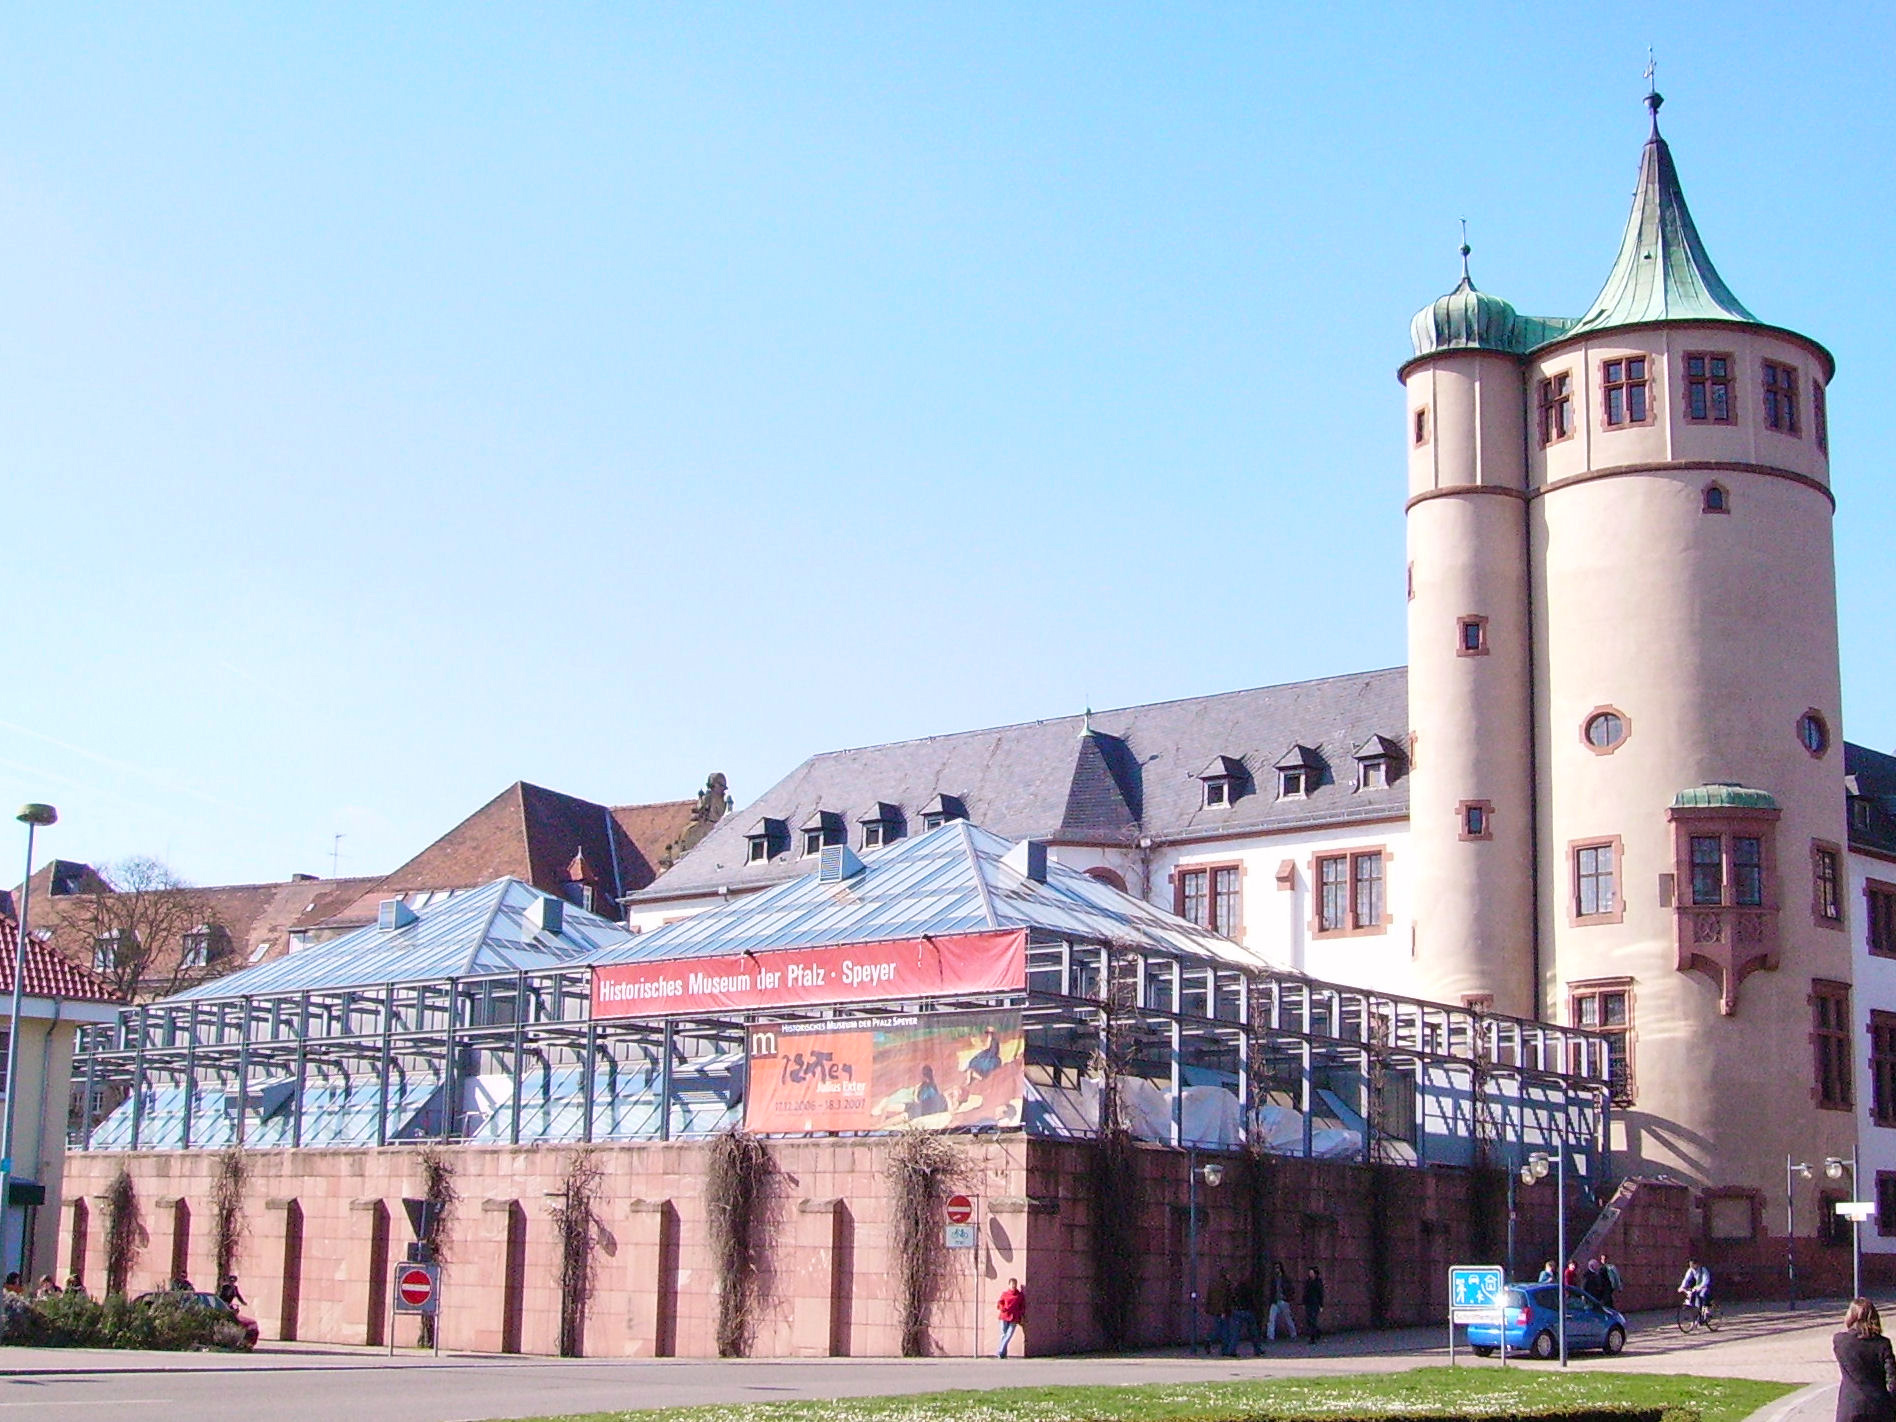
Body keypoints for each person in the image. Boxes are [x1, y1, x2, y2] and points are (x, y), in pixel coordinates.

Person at [1834, 1297, 1896, 1422]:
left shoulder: (1840, 1341)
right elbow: (1892, 1379)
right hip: (1879, 1406)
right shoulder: (1883, 1344)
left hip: (1850, 1406)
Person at [1228, 1273, 1263, 1357]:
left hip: (1237, 1311)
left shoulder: (1236, 1289)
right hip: (1248, 1311)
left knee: (1235, 1333)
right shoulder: (1249, 1289)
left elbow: (1232, 1299)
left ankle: (1231, 1350)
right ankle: (1257, 1350)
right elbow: (1252, 1301)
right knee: (1253, 1332)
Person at [1267, 1261, 1299, 1341]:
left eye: (1277, 1268)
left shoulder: (1285, 1279)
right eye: (1275, 1268)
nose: (1276, 1270)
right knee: (1271, 1319)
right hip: (1275, 1301)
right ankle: (1270, 1337)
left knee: (1288, 1319)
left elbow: (1291, 1289)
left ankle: (1293, 1334)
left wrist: (1287, 1297)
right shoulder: (1274, 1279)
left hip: (1283, 1301)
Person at [1206, 1268, 1234, 1355]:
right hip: (1224, 1311)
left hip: (1215, 1310)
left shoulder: (1213, 1284)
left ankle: (1209, 1340)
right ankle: (1224, 1350)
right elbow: (1224, 1299)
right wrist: (1223, 1311)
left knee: (1218, 1329)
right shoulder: (1226, 1285)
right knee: (1225, 1331)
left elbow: (1209, 1297)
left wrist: (1208, 1308)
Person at [995, 1277, 1025, 1358]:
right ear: (1009, 1285)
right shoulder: (1005, 1294)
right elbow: (1000, 1302)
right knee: (1003, 1334)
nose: (1013, 1286)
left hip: (1014, 1318)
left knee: (1008, 1335)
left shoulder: (1019, 1295)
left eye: (1014, 1284)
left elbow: (1022, 1306)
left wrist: (1020, 1315)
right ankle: (1002, 1354)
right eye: (1012, 1284)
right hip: (1004, 1316)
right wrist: (1002, 1308)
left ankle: (1000, 1351)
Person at [1678, 1258, 1713, 1323]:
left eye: (1692, 1264)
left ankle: (1707, 1310)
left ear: (1696, 1264)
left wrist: (1701, 1286)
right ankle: (1698, 1317)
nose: (1691, 1266)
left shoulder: (1703, 1269)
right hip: (1698, 1286)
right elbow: (1686, 1279)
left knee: (1703, 1294)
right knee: (1695, 1299)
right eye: (1690, 1265)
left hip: (1706, 1285)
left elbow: (1706, 1280)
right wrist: (1682, 1287)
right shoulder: (1691, 1270)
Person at [1302, 1265, 1325, 1344]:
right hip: (1308, 1303)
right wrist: (1303, 1302)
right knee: (1309, 1320)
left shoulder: (1318, 1281)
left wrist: (1321, 1305)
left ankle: (1312, 1338)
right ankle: (1317, 1332)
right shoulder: (1308, 1281)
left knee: (1313, 1320)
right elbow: (1305, 1293)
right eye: (1309, 1272)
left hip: (1315, 1303)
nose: (1310, 1274)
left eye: (1311, 1272)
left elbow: (1320, 1293)